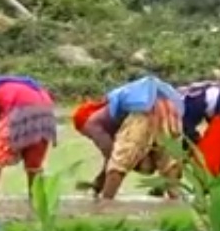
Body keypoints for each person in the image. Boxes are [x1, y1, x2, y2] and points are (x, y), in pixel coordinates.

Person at [72, 75, 184, 203]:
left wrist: (98, 185)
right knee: (169, 165)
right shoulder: (113, 111)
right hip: (170, 107)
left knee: (118, 165)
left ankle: (105, 206)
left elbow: (112, 157)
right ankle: (177, 204)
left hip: (143, 111)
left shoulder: (91, 124)